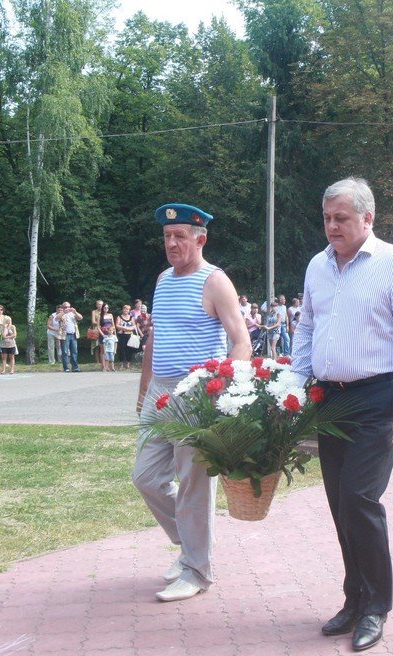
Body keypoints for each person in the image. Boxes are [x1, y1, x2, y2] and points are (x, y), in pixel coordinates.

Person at [290, 178, 393, 652]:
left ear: (367, 219)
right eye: (327, 218)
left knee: (359, 498)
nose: (332, 226)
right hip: (330, 399)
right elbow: (306, 326)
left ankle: (377, 607)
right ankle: (354, 599)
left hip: (378, 398)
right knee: (338, 501)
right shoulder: (318, 266)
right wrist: (295, 385)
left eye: (342, 218)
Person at [131, 202, 251, 603]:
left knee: (194, 486)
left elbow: (241, 341)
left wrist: (226, 394)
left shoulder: (215, 282)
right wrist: (144, 387)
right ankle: (190, 551)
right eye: (167, 236)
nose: (171, 242)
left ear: (201, 238)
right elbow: (155, 338)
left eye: (180, 235)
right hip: (160, 393)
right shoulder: (164, 279)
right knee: (145, 477)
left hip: (198, 395)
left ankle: (198, 570)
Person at [60, 302, 82, 372]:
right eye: (65, 307)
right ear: (63, 307)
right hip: (65, 335)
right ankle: (66, 368)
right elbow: (56, 319)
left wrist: (75, 312)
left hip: (73, 335)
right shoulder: (62, 314)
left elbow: (80, 318)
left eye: (68, 307)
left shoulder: (73, 314)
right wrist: (63, 312)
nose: (67, 308)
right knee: (65, 352)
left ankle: (75, 368)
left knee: (74, 352)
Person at [99, 302, 117, 371]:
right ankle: (104, 366)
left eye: (107, 308)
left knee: (111, 350)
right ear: (102, 308)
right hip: (103, 334)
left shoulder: (110, 315)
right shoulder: (100, 316)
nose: (106, 309)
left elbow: (113, 325)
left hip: (111, 334)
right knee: (104, 350)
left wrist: (114, 334)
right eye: (105, 307)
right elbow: (98, 327)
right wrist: (103, 335)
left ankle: (110, 366)